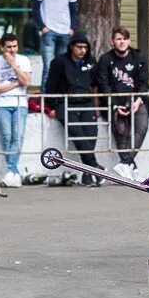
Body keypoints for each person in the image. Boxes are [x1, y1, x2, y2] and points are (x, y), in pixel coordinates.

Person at [44, 32, 104, 186]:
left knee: (90, 136)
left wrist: (97, 106)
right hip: (65, 103)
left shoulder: (91, 61)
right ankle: (95, 167)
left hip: (86, 102)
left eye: (85, 47)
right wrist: (51, 106)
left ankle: (87, 173)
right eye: (79, 47)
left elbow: (96, 84)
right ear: (71, 47)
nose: (82, 50)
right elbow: (50, 86)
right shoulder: (59, 62)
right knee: (78, 134)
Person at [96, 27, 149, 180]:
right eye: (118, 39)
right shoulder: (106, 59)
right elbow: (103, 84)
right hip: (114, 102)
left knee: (142, 126)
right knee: (121, 133)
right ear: (112, 41)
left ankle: (125, 163)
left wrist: (138, 101)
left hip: (136, 100)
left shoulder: (138, 57)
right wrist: (114, 105)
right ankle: (130, 166)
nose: (122, 42)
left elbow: (144, 82)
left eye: (124, 39)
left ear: (129, 40)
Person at [0, 33, 32, 188]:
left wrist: (13, 64)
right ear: (1, 47)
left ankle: (11, 172)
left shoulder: (23, 60)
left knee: (17, 137)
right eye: (9, 47)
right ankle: (13, 173)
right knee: (7, 137)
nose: (12, 50)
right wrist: (13, 84)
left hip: (20, 103)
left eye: (14, 46)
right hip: (2, 104)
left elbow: (26, 82)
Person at [31, 0, 77, 90]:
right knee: (48, 66)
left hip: (65, 31)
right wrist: (42, 26)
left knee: (63, 65)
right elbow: (35, 7)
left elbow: (73, 8)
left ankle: (60, 96)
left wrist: (71, 27)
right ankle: (46, 98)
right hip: (49, 30)